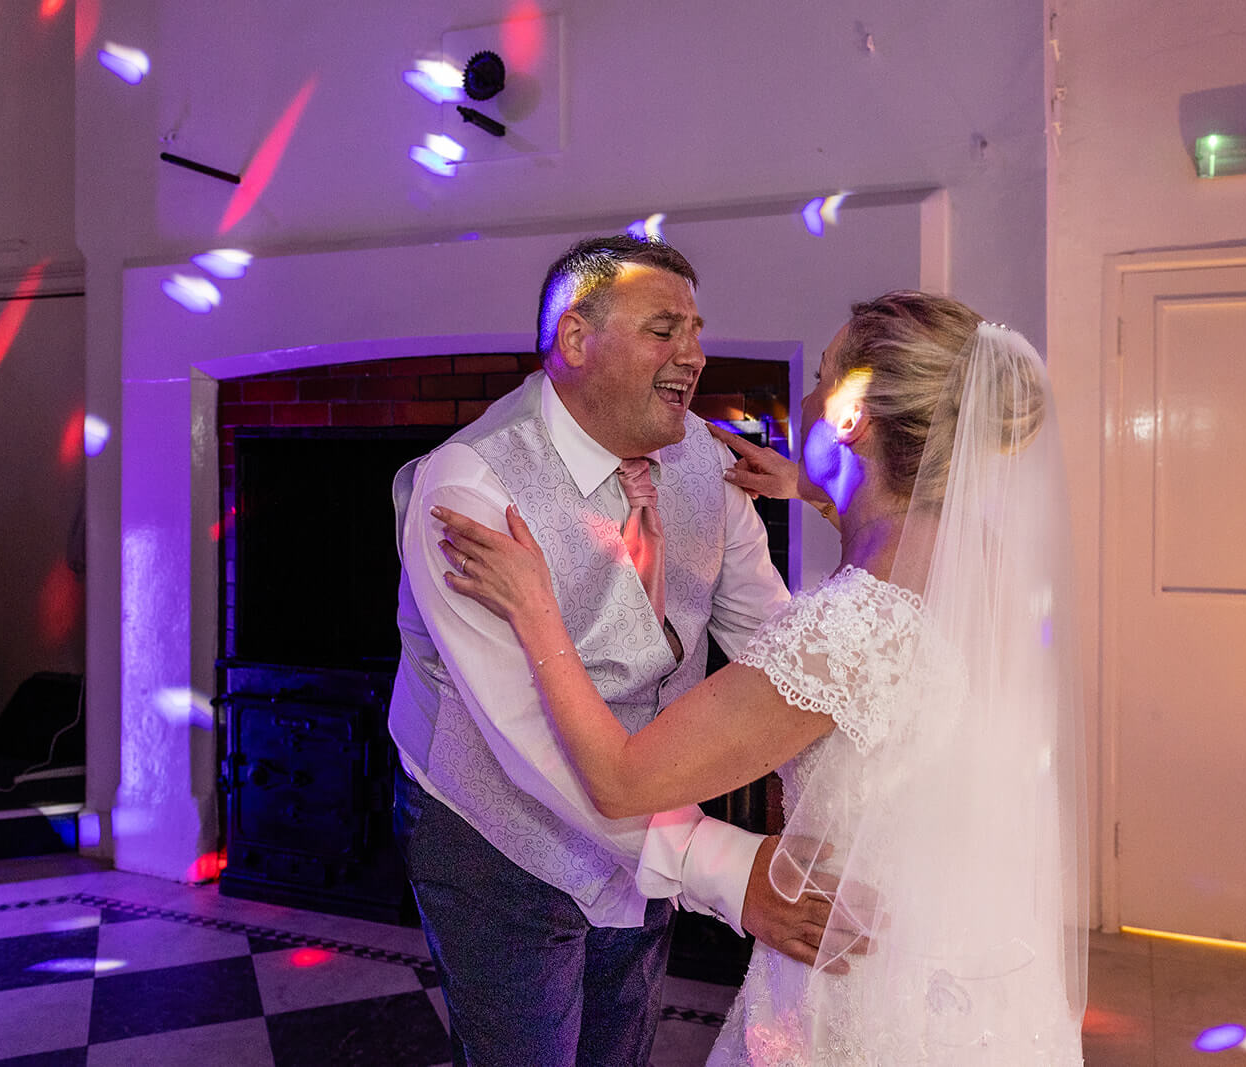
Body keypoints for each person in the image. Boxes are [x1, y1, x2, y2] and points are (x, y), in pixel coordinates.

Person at [436, 291, 1089, 1063]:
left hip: (857, 973)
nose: (806, 397)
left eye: (821, 376)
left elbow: (620, 779)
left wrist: (536, 607)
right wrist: (809, 486)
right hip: (967, 962)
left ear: (851, 417)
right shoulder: (980, 560)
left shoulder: (847, 634)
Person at [388, 234, 843, 1067]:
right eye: (664, 329)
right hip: (496, 833)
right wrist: (726, 868)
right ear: (574, 339)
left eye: (696, 332)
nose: (694, 355)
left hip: (648, 827)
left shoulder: (705, 459)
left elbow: (774, 647)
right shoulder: (470, 487)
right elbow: (524, 736)